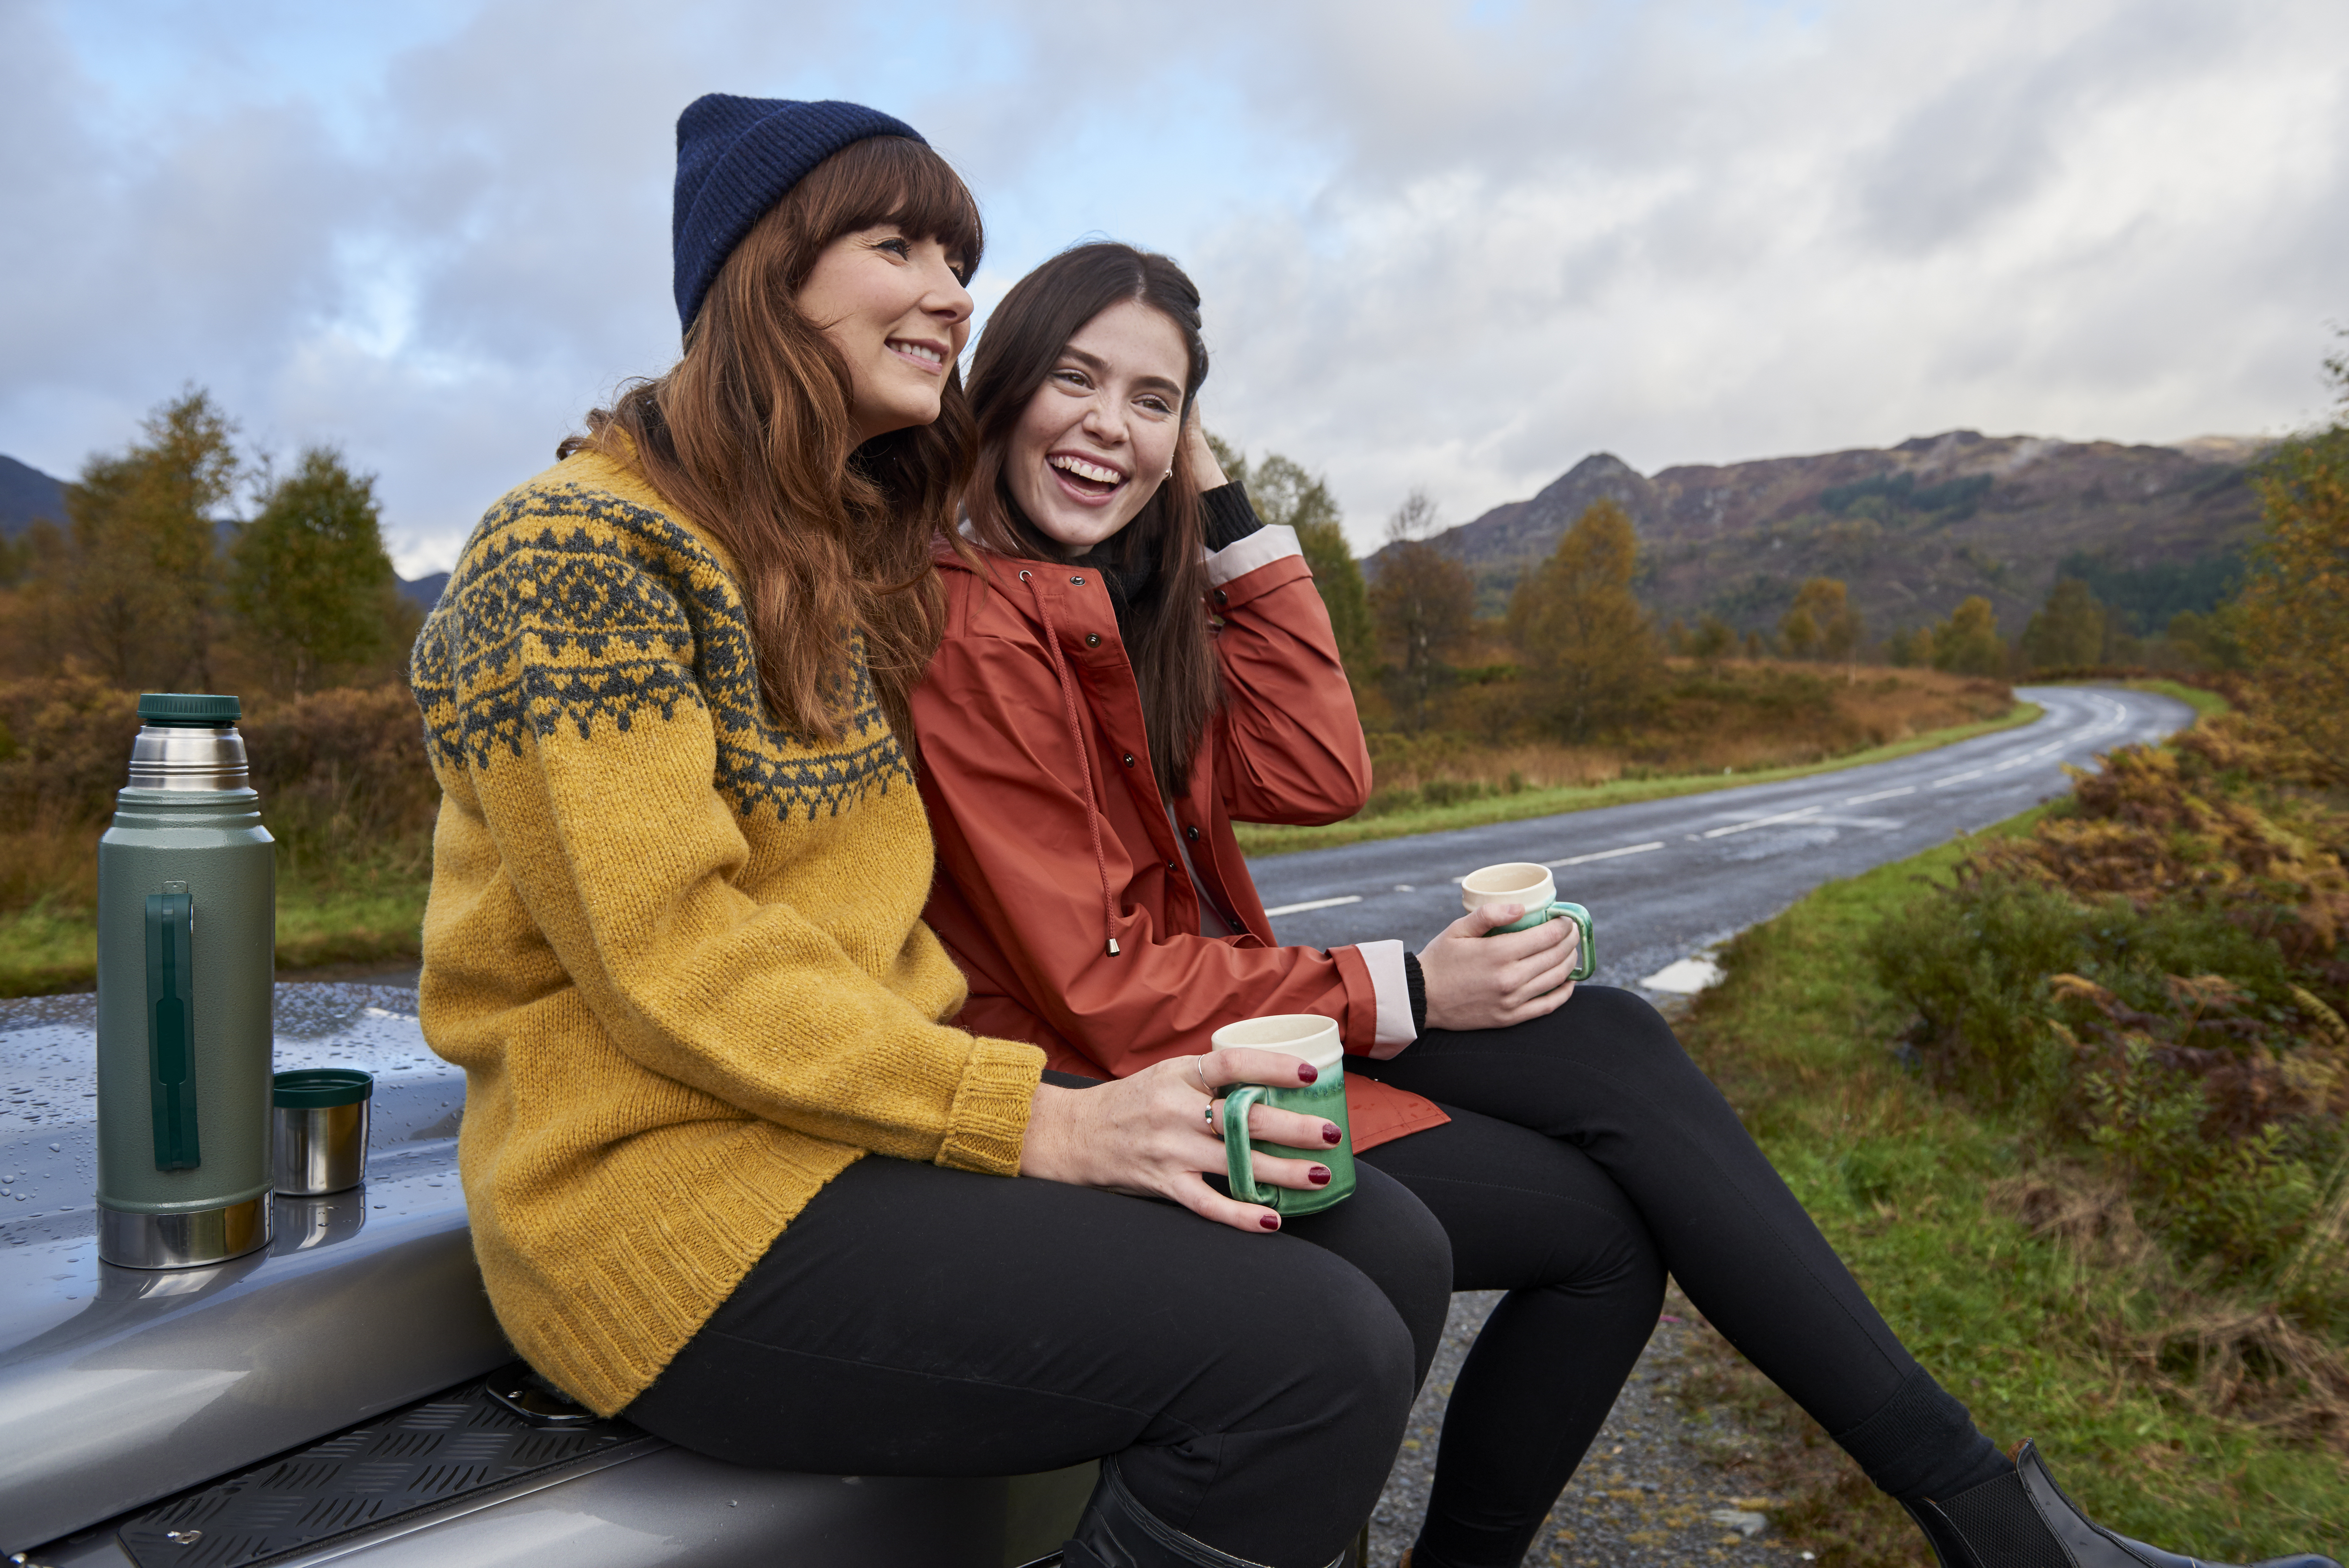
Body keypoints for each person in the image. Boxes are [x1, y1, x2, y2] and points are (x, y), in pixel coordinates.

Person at [908, 241, 2344, 1568]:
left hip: (1222, 1033)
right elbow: (1097, 984)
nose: (1110, 423)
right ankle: (1995, 1529)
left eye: (1155, 401)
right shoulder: (973, 621)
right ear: (1002, 388)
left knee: (1606, 1045)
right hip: (1114, 1082)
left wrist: (1214, 503)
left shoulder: (1111, 609)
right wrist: (1412, 989)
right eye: (1076, 379)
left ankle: (1986, 1517)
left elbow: (1320, 764)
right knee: (1604, 1234)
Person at [409, 97, 1459, 1568]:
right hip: (671, 1211)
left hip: (854, 1144)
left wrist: (1188, 465)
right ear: (766, 276)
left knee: (1383, 1242)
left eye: (958, 256)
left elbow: (1091, 603)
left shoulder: (832, 558)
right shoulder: (580, 549)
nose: (952, 293)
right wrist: (1048, 1120)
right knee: (1313, 1356)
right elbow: (675, 959)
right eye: (896, 244)